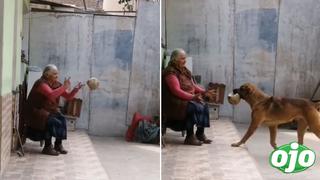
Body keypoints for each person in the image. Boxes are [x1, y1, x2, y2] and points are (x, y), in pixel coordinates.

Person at [25, 64, 84, 155]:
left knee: (61, 119)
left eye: (57, 74)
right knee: (50, 121)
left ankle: (58, 145)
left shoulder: (56, 84)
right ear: (47, 75)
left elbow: (68, 97)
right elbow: (51, 95)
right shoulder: (41, 83)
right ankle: (47, 147)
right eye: (54, 74)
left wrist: (75, 90)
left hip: (48, 110)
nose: (57, 76)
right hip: (36, 112)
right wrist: (64, 87)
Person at [163, 49, 213, 146]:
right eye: (182, 59)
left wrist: (204, 91)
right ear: (174, 60)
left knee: (204, 104)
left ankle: (200, 133)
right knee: (192, 106)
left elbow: (193, 86)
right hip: (174, 101)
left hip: (187, 98)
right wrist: (193, 97)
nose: (185, 61)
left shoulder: (185, 71)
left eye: (185, 58)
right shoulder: (170, 72)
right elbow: (176, 90)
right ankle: (189, 137)